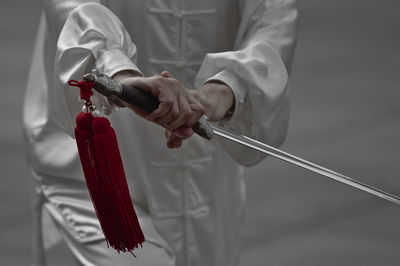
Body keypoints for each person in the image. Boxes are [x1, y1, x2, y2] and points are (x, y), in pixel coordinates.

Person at [23, 1, 297, 265]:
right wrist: (120, 76)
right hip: (101, 158)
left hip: (207, 162)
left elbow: (272, 20)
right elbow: (73, 9)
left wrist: (226, 88)